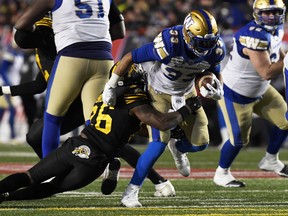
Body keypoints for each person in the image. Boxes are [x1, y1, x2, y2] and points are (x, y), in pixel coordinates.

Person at [11, 13, 176, 197]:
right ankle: (66, 168)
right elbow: (39, 84)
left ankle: (157, 179)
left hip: (87, 87)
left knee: (103, 137)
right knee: (36, 135)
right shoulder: (44, 51)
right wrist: (4, 89)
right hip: (80, 92)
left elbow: (117, 27)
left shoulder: (61, 44)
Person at [0, 62, 201, 203]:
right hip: (93, 160)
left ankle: (3, 193)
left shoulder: (105, 93)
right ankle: (10, 198)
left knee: (29, 176)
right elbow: (161, 122)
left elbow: (126, 124)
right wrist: (187, 109)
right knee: (52, 187)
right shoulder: (135, 102)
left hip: (75, 144)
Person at [102, 9, 226, 207]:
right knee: (158, 144)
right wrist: (111, 85)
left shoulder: (216, 49)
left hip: (186, 94)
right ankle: (130, 193)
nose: (204, 47)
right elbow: (130, 57)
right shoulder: (170, 42)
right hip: (158, 92)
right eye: (200, 41)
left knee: (201, 143)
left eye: (208, 42)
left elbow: (211, 74)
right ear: (187, 34)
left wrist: (216, 88)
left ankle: (178, 147)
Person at [14, 0, 123, 158]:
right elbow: (120, 31)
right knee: (94, 123)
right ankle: (103, 164)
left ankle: (49, 172)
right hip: (104, 58)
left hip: (72, 56)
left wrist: (42, 33)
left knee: (52, 119)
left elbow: (21, 25)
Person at [213, 0, 288, 188]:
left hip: (261, 89)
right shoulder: (252, 35)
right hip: (236, 93)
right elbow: (267, 71)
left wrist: (284, 58)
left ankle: (270, 160)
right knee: (238, 140)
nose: (271, 16)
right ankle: (221, 173)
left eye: (275, 12)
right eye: (266, 13)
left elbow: (277, 52)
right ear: (256, 13)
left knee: (286, 120)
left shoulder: (275, 30)